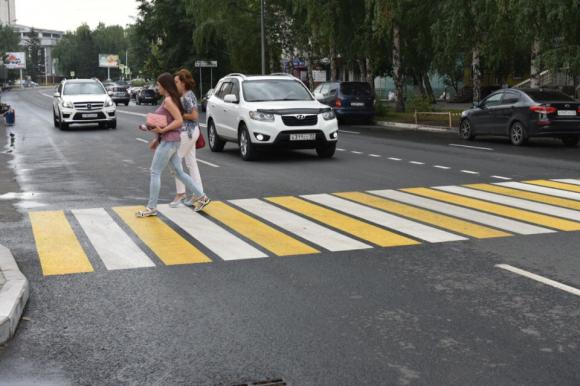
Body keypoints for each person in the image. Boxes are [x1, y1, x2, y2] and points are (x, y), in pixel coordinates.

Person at [136, 73, 210, 218]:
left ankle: (151, 207)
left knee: (155, 172)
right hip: (171, 141)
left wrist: (162, 131)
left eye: (158, 85)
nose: (157, 88)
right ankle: (202, 197)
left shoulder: (169, 101)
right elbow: (165, 121)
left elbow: (178, 121)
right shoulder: (169, 100)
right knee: (179, 172)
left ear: (164, 85)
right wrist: (156, 137)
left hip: (169, 141)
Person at [169, 69, 209, 210]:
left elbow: (194, 115)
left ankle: (181, 193)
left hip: (189, 133)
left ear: (184, 82)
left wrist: (180, 115)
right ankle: (199, 194)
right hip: (190, 132)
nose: (175, 84)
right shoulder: (186, 95)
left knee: (175, 161)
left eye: (177, 82)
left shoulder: (187, 96)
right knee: (191, 163)